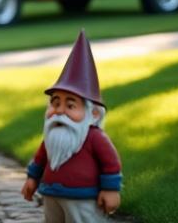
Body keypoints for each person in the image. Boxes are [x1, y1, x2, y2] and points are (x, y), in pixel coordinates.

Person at [22, 30, 123, 222]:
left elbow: (111, 164)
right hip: (51, 195)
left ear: (93, 114)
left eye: (70, 105)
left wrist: (110, 189)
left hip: (83, 198)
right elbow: (40, 160)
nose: (59, 111)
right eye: (55, 103)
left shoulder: (94, 137)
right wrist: (32, 179)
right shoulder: (52, 137)